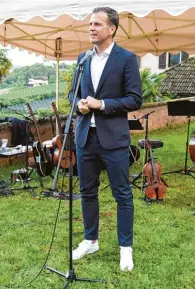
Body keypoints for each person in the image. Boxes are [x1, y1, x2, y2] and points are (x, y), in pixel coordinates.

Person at [68, 6, 142, 271]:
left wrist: (102, 104)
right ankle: (91, 240)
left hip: (114, 138)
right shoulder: (82, 58)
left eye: (97, 24)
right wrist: (79, 105)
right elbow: (72, 94)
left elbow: (135, 98)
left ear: (112, 29)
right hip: (85, 137)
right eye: (90, 24)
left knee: (122, 194)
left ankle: (125, 248)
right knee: (87, 192)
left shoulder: (127, 59)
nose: (91, 28)